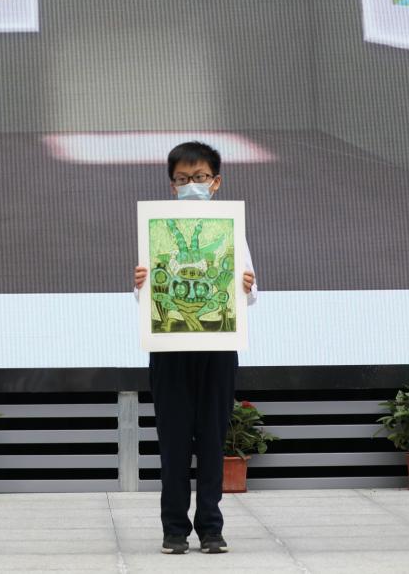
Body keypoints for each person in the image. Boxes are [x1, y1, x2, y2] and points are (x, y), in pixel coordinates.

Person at [132, 141, 257, 555]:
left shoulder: (230, 229)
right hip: (169, 349)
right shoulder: (157, 229)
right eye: (183, 179)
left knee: (211, 440)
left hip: (218, 348)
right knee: (173, 442)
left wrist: (247, 286)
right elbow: (149, 297)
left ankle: (210, 527)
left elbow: (248, 293)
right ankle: (173, 528)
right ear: (172, 185)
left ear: (215, 182)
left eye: (199, 177)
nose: (192, 185)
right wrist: (141, 284)